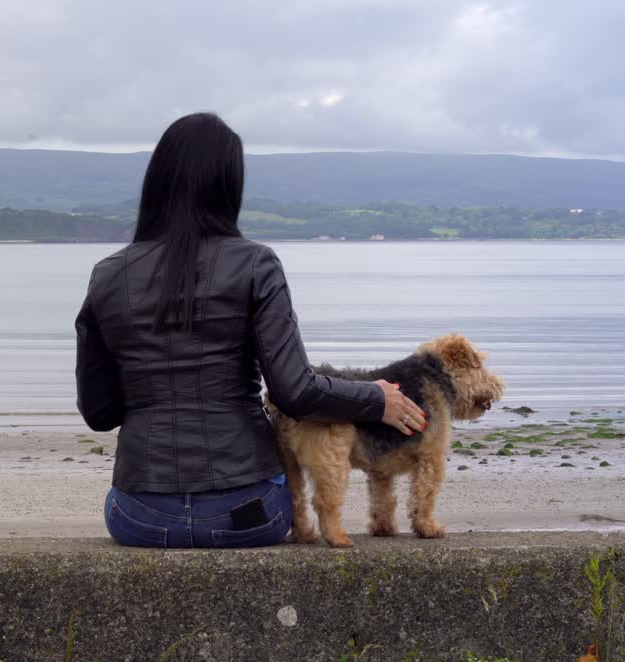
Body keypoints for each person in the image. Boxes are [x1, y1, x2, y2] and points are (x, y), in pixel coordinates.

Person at [75, 112, 426, 549]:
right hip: (248, 511)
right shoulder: (256, 263)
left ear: (157, 181)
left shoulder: (107, 276)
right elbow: (294, 392)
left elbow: (99, 412)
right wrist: (375, 399)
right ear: (229, 186)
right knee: (272, 495)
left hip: (137, 515)